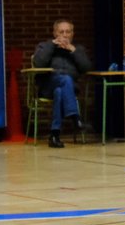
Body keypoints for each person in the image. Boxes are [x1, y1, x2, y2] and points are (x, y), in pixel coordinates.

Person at [32, 19, 92, 149]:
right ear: (55, 33)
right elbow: (39, 63)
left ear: (72, 34)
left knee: (60, 91)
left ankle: (54, 135)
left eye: (68, 32)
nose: (65, 35)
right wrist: (52, 46)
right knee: (65, 80)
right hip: (47, 85)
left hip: (67, 90)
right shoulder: (44, 46)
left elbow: (87, 68)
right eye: (61, 32)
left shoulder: (78, 49)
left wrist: (73, 51)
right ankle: (75, 118)